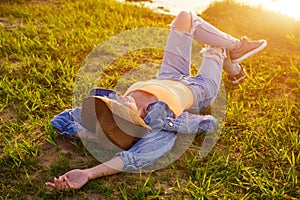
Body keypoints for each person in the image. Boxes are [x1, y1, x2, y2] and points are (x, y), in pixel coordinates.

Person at [46, 11, 267, 190]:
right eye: (120, 106)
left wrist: (93, 135)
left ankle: (235, 56)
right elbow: (134, 159)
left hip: (169, 74)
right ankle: (234, 58)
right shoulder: (158, 125)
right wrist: (88, 173)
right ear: (134, 120)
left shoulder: (116, 109)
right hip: (201, 88)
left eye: (111, 104)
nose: (119, 97)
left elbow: (63, 119)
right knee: (216, 47)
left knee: (184, 18)